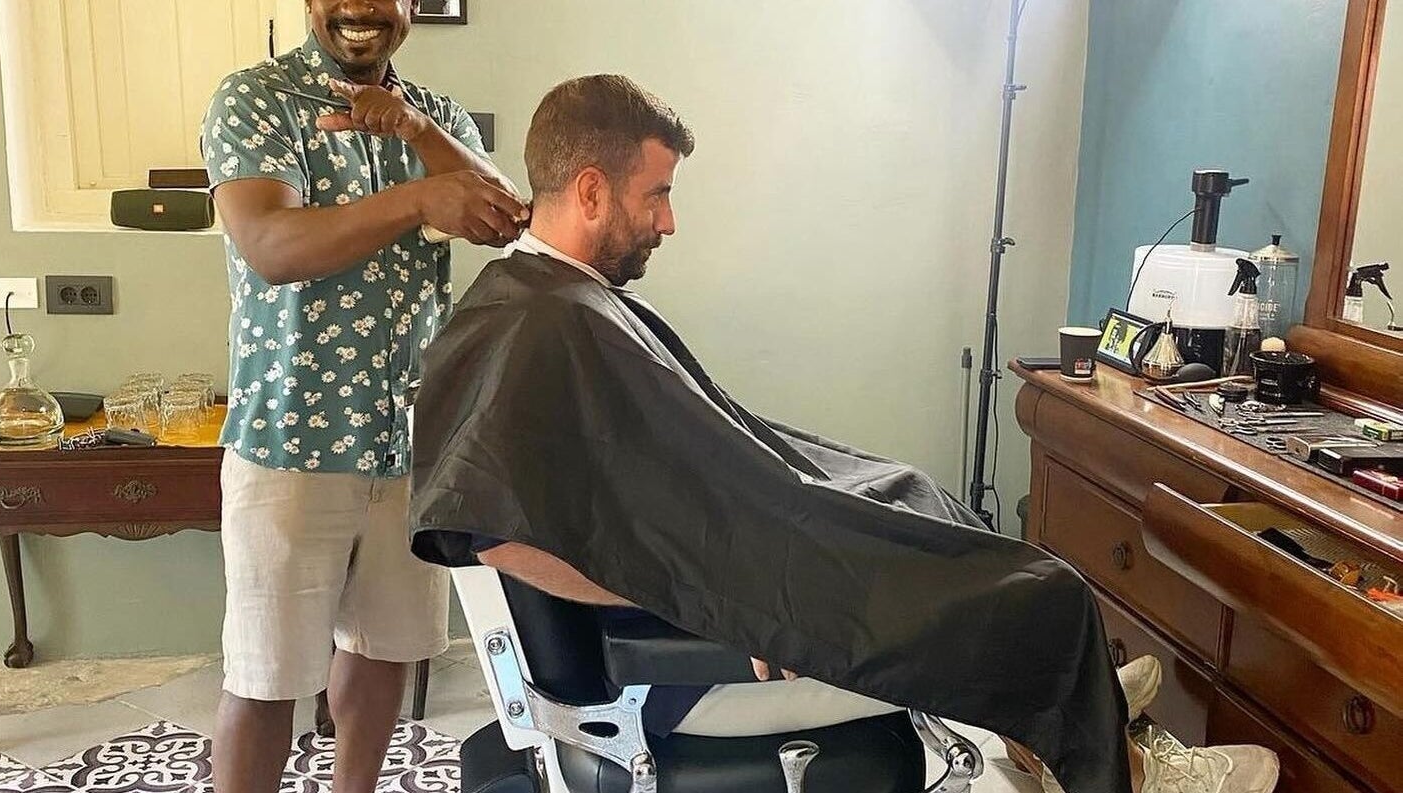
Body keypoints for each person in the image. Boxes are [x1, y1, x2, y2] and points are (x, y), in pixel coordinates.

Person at [409, 75, 1279, 793]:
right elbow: (495, 534)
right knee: (1044, 588)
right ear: (592, 190)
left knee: (913, 497)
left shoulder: (546, 300)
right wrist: (712, 598)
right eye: (658, 194)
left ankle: (1057, 721)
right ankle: (1120, 759)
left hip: (736, 561)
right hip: (694, 652)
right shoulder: (536, 326)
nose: (669, 221)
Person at [199, 2, 527, 792]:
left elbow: (506, 215)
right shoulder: (255, 99)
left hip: (410, 442)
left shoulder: (432, 116)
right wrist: (416, 200)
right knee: (266, 677)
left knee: (383, 652)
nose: (358, 7)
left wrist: (413, 132)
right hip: (290, 446)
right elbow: (274, 247)